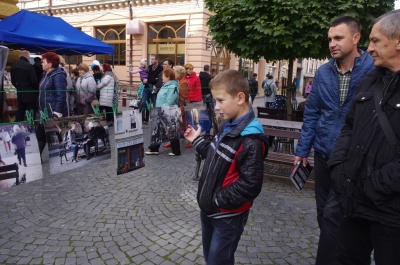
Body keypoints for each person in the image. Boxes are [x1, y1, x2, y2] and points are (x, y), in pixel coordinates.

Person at [293, 16, 374, 265]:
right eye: (329, 39)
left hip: (352, 157)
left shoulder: (372, 69)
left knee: (335, 214)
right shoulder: (324, 71)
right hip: (323, 152)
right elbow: (313, 112)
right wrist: (303, 149)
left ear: (356, 38)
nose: (332, 43)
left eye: (338, 38)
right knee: (323, 213)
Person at [327, 11, 400, 265]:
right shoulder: (371, 80)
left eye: (376, 41)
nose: (369, 49)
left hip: (391, 212)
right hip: (354, 200)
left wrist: (374, 185)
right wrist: (338, 167)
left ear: (399, 41)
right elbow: (349, 126)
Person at [184, 69, 268, 265]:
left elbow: (250, 185)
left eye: (220, 101)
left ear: (240, 98)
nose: (216, 106)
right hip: (210, 211)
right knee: (211, 258)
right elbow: (217, 156)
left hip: (227, 215)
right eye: (215, 101)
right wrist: (197, 141)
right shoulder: (226, 125)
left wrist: (217, 200)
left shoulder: (251, 138)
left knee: (218, 261)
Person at [145, 68, 180, 156]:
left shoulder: (173, 86)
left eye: (163, 76)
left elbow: (170, 100)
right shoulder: (166, 85)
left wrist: (162, 109)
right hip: (161, 110)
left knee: (171, 131)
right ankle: (154, 149)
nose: (162, 78)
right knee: (158, 130)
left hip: (168, 111)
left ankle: (176, 151)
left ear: (168, 77)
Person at [10, 50, 38, 122]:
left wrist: (19, 87)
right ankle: (31, 128)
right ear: (27, 57)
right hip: (30, 92)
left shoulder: (13, 66)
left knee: (20, 110)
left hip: (20, 92)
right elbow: (34, 81)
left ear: (20, 56)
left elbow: (12, 81)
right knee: (30, 111)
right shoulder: (29, 66)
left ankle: (18, 126)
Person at [174, 66, 191, 148]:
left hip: (181, 106)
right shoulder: (177, 81)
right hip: (178, 105)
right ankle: (173, 140)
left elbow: (184, 97)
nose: (173, 73)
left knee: (184, 124)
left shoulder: (183, 82)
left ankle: (189, 140)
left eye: (174, 72)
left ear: (178, 73)